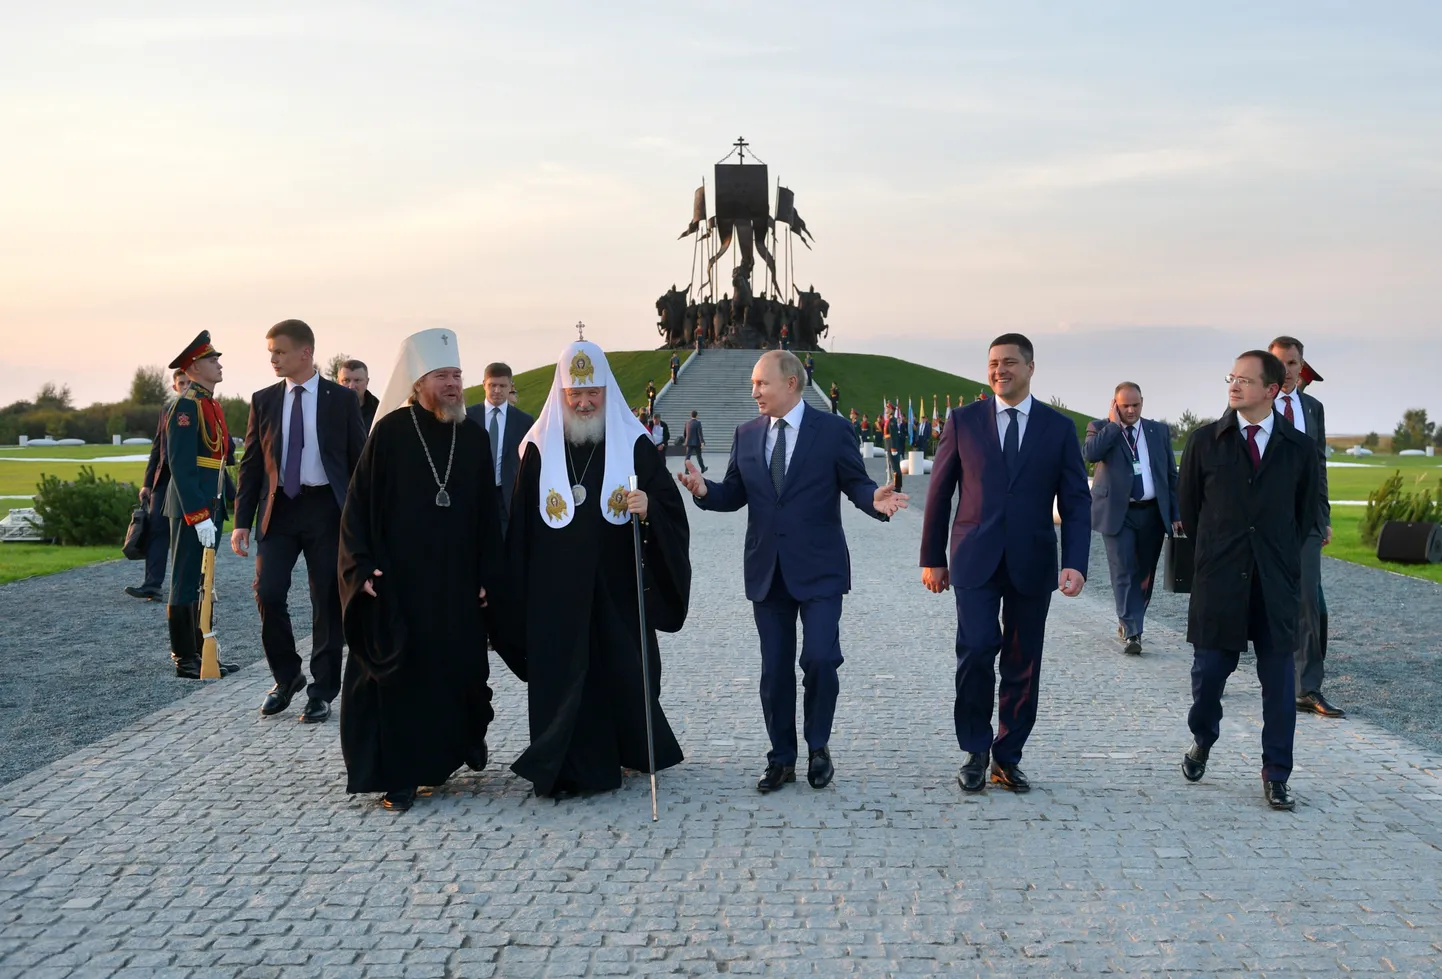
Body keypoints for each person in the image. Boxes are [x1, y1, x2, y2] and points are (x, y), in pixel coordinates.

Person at [678, 350, 908, 793]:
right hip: (768, 570)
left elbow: (856, 483)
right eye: (753, 384)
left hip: (820, 569)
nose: (754, 391)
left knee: (821, 659)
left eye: (762, 383)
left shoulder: (833, 431)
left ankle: (818, 747)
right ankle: (781, 758)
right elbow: (734, 493)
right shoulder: (746, 435)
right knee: (775, 671)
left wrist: (873, 501)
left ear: (792, 384)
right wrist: (705, 490)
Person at [500, 339, 691, 798]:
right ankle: (563, 764)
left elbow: (670, 512)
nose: (584, 403)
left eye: (593, 395)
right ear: (560, 394)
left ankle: (625, 751)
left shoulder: (636, 446)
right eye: (574, 395)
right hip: (556, 591)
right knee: (564, 678)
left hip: (616, 586)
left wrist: (649, 510)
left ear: (607, 392)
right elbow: (521, 526)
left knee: (619, 672)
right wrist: (515, 592)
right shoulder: (538, 450)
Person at [337, 329, 509, 812]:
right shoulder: (390, 433)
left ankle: (441, 761)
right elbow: (357, 508)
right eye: (442, 376)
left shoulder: (473, 436)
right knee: (402, 680)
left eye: (457, 375)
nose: (454, 385)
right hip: (401, 584)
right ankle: (399, 776)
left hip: (455, 587)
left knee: (452, 675)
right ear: (418, 383)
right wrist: (361, 566)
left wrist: (487, 575)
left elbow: (487, 514)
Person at [919, 334, 1091, 794]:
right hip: (974, 557)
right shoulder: (963, 421)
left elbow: (1076, 501)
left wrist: (1075, 561)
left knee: (1023, 662)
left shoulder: (1058, 428)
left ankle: (1007, 756)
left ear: (1031, 367)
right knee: (976, 649)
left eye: (1010, 362)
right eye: (993, 363)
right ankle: (975, 749)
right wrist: (932, 557)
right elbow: (938, 493)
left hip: (1033, 561)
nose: (1000, 370)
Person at [1178, 350, 1318, 811]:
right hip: (1220, 580)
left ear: (1272, 390)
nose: (1233, 386)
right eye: (1231, 378)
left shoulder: (1299, 449)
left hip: (1275, 585)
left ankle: (1276, 774)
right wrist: (1218, 553)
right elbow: (1191, 512)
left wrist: (1274, 560)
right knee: (1208, 678)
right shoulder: (1205, 442)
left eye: (1244, 380)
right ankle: (1203, 736)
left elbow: (1301, 516)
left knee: (1279, 685)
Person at [232, 319, 366, 723]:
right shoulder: (263, 400)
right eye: (270, 352)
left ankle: (323, 690)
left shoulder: (340, 400)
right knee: (268, 592)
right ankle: (287, 676)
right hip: (279, 511)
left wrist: (364, 518)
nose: (273, 358)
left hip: (326, 511)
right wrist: (240, 521)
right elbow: (252, 462)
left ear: (305, 353)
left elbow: (359, 460)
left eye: (280, 351)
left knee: (326, 600)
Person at [1269, 336, 1340, 718]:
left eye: (1293, 363)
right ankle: (1218, 668)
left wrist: (1323, 515)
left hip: (1306, 520)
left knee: (1308, 599)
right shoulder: (1257, 405)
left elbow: (1320, 465)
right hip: (1264, 520)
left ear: (1301, 365)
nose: (1287, 371)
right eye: (1279, 364)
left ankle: (1307, 687)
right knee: (1252, 594)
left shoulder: (1313, 408)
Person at [1083, 382, 1181, 656]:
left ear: (1142, 402)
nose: (1131, 410)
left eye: (1135, 405)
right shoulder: (1100, 427)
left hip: (1151, 512)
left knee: (1144, 575)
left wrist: (1176, 514)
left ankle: (1130, 620)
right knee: (1123, 570)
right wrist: (1114, 426)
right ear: (1114, 404)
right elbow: (1090, 454)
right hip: (1118, 513)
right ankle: (1133, 631)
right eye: (1125, 405)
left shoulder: (1157, 431)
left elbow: (1171, 476)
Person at [162, 332, 238, 678]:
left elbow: (220, 459)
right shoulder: (186, 406)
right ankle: (184, 657)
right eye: (212, 360)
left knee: (204, 581)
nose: (219, 365)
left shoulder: (209, 403)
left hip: (211, 503)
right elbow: (180, 465)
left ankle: (203, 651)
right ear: (194, 367)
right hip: (192, 507)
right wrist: (198, 514)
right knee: (185, 579)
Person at [125, 369, 190, 601]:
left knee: (191, 535)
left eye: (189, 382)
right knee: (157, 532)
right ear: (175, 387)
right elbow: (157, 448)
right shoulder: (167, 410)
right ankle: (152, 585)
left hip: (191, 480)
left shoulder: (207, 408)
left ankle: (198, 585)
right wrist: (147, 483)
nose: (185, 386)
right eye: (181, 383)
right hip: (164, 481)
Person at [465, 362, 535, 538]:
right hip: (474, 493)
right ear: (484, 385)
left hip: (508, 496)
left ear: (511, 386)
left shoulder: (524, 421)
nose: (497, 390)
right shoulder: (467, 417)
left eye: (502, 386)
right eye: (492, 385)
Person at [338, 359, 380, 431]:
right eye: (346, 380)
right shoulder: (326, 409)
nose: (351, 386)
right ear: (338, 381)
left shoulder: (379, 411)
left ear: (367, 382)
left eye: (357, 380)